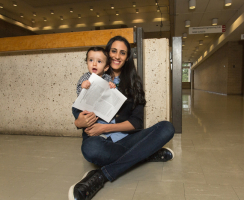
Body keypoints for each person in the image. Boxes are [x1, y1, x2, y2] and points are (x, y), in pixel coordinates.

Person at [69, 36, 175, 200]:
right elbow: (78, 106)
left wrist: (104, 127)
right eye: (114, 51)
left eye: (123, 53)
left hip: (126, 139)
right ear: (107, 53)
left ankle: (102, 175)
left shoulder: (134, 83)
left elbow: (136, 123)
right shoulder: (93, 76)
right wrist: (78, 121)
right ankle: (146, 153)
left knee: (167, 128)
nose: (117, 56)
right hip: (100, 141)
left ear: (127, 58)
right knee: (90, 149)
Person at [75, 46, 123, 139]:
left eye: (99, 61)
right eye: (91, 60)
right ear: (87, 63)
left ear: (106, 67)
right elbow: (78, 95)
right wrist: (83, 87)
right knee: (86, 119)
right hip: (88, 108)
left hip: (101, 107)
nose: (94, 64)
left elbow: (111, 94)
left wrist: (112, 86)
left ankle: (107, 133)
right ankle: (89, 135)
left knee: (110, 118)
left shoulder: (107, 77)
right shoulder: (85, 77)